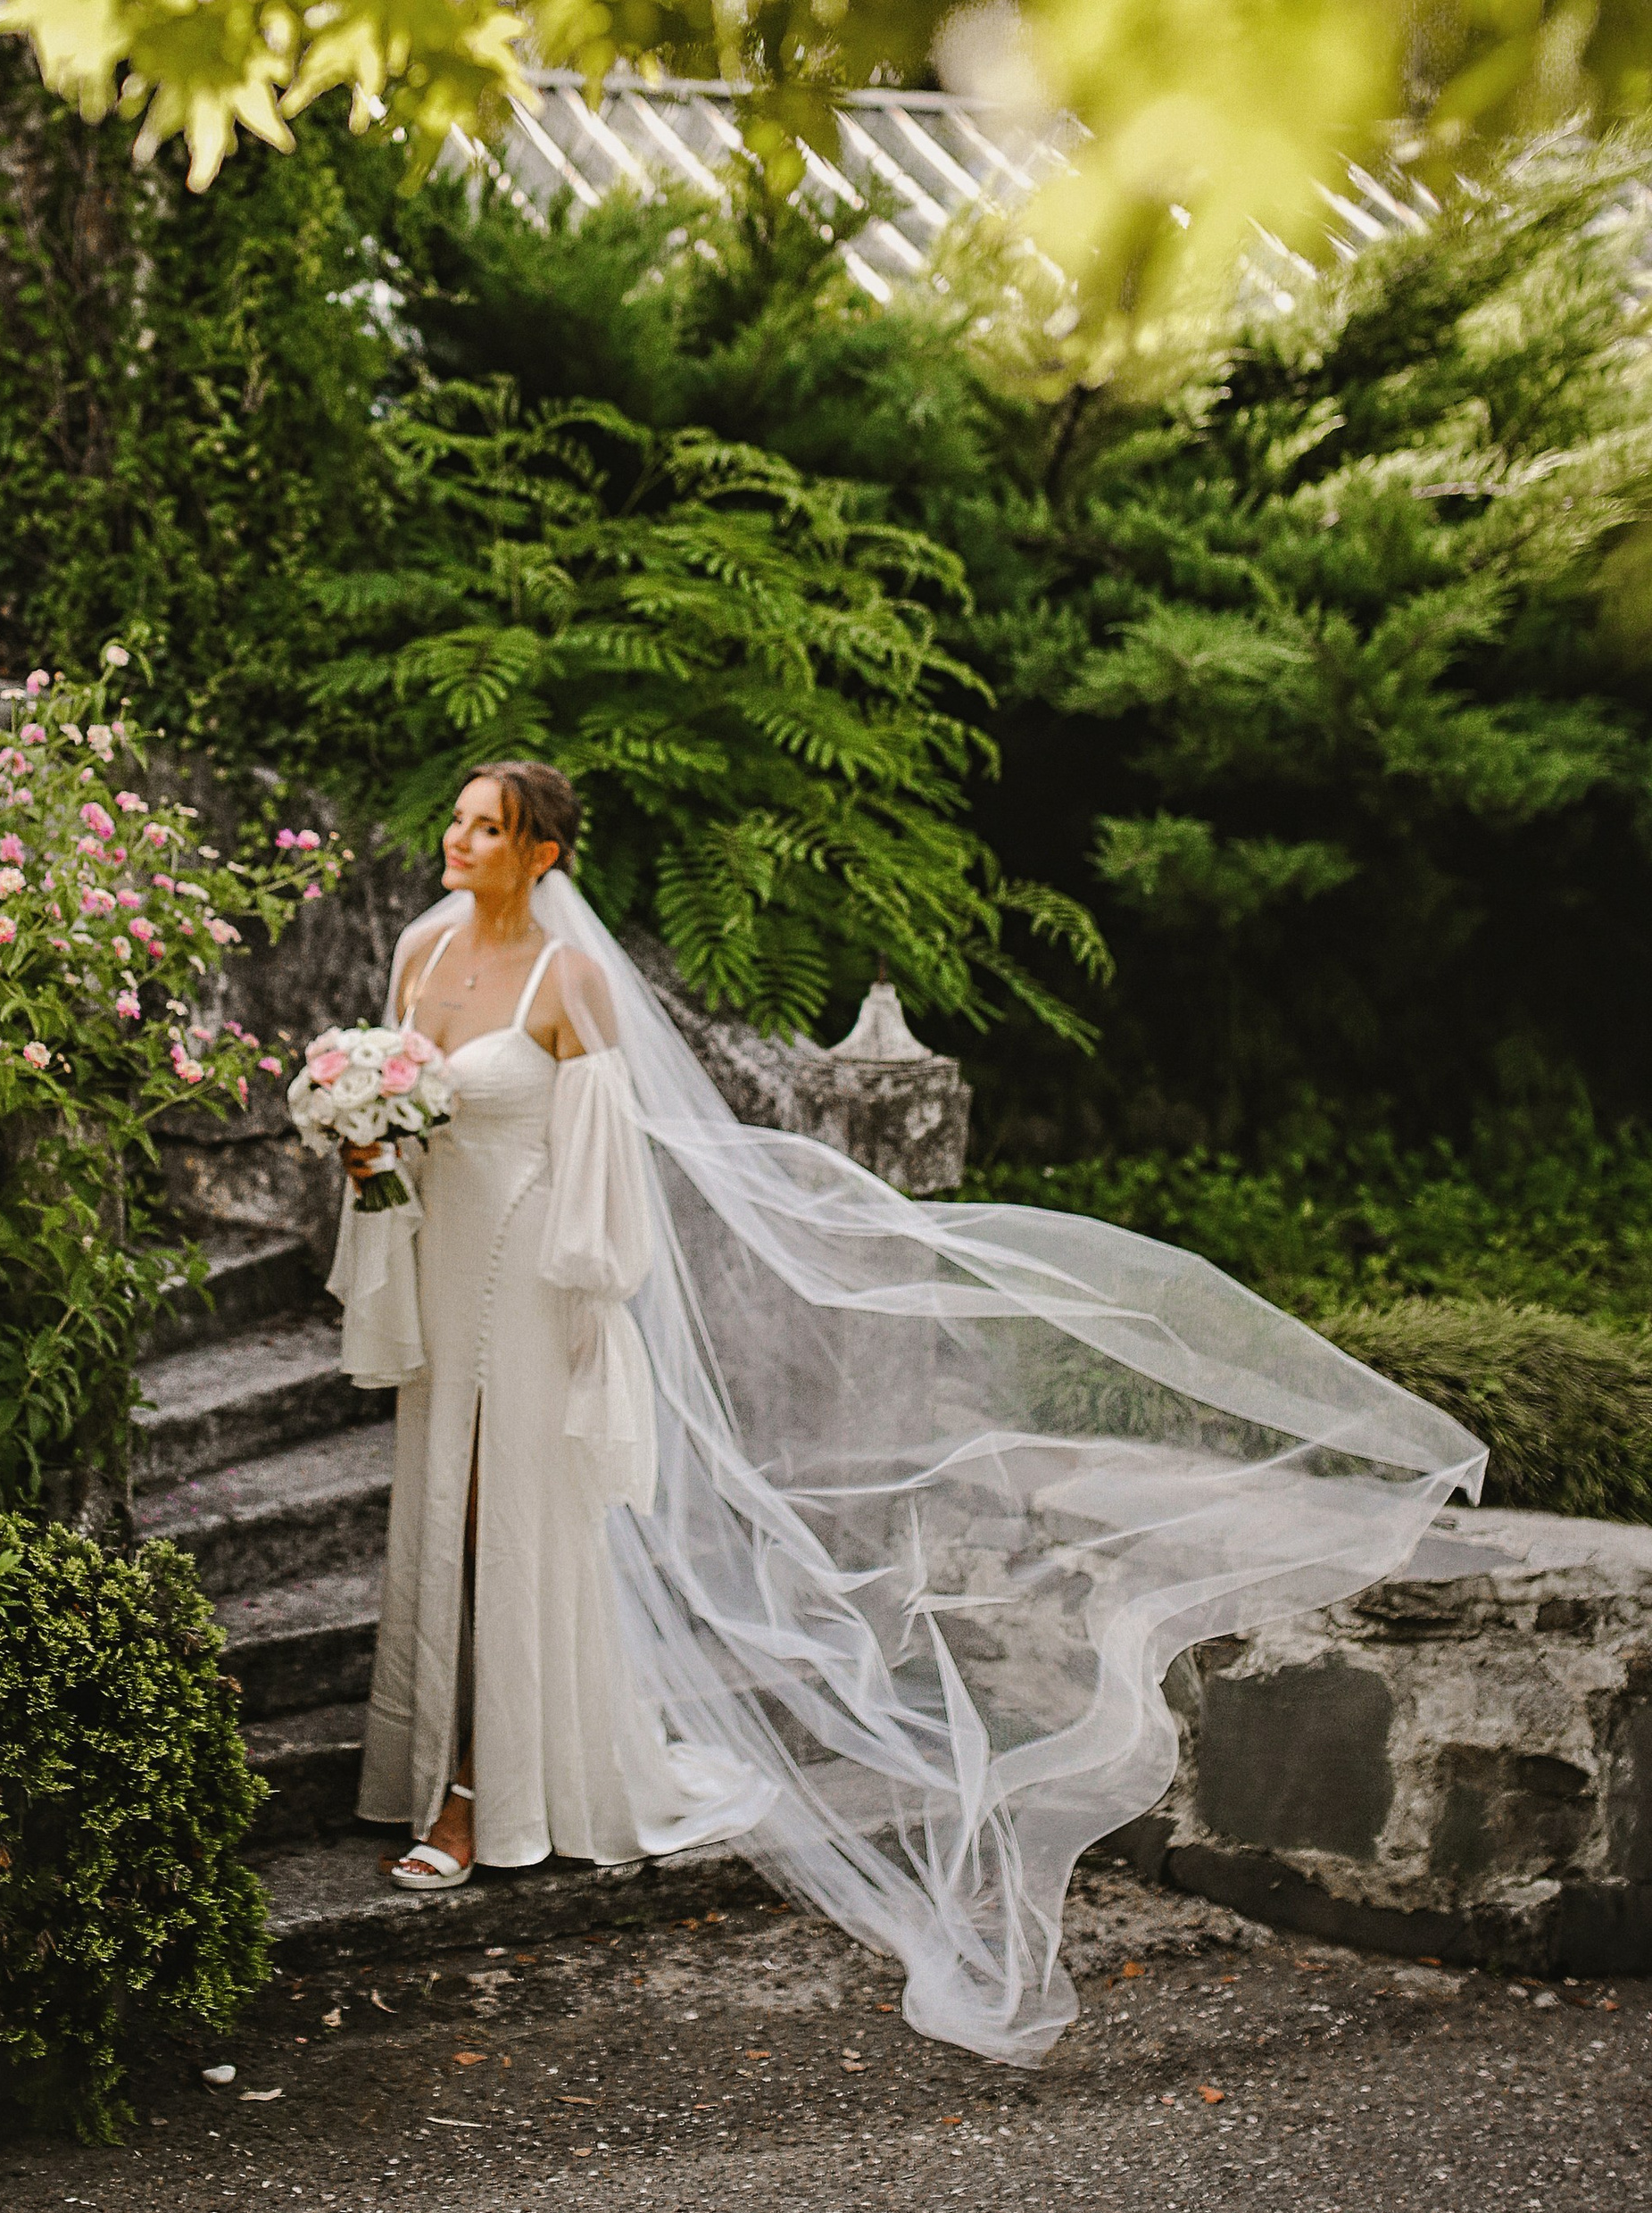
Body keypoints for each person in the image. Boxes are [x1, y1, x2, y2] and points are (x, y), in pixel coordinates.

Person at [326, 761, 1485, 2063]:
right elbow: (418, 1106)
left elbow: (604, 1180)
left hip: (532, 1284)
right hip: (440, 1254)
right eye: (461, 817)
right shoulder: (422, 948)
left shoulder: (571, 981)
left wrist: (586, 1321)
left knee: (506, 1514)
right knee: (439, 1503)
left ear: (541, 854)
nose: (458, 836)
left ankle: (490, 1795)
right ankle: (422, 1764)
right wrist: (371, 1142)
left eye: (488, 825)